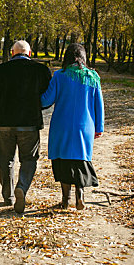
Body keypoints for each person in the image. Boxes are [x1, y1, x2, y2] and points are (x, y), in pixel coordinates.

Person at [0, 40, 52, 214]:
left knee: (6, 160)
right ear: (29, 53)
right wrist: (36, 106)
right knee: (29, 159)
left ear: (12, 53)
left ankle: (8, 196)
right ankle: (22, 187)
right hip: (30, 124)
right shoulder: (41, 70)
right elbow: (48, 97)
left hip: (5, 124)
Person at [40, 43, 104, 210]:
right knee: (81, 159)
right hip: (85, 126)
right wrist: (99, 127)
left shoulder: (60, 76)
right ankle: (80, 195)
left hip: (62, 125)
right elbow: (99, 105)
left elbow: (46, 100)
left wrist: (32, 96)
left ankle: (65, 199)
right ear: (84, 57)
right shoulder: (93, 76)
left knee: (62, 160)